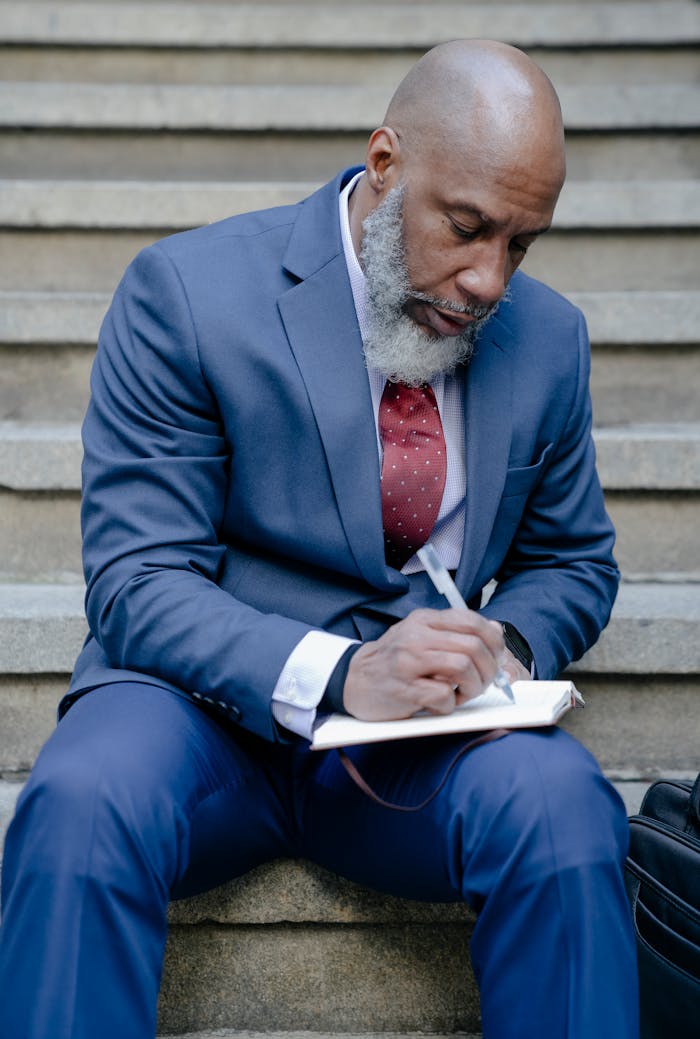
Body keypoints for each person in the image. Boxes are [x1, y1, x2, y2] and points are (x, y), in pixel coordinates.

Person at [0, 39, 638, 1038]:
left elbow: (571, 559)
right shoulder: (187, 294)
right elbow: (137, 577)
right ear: (383, 164)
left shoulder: (547, 339)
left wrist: (499, 651)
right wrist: (340, 670)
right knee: (77, 803)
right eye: (466, 227)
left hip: (420, 747)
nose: (486, 280)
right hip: (197, 717)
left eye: (521, 242)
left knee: (566, 808)